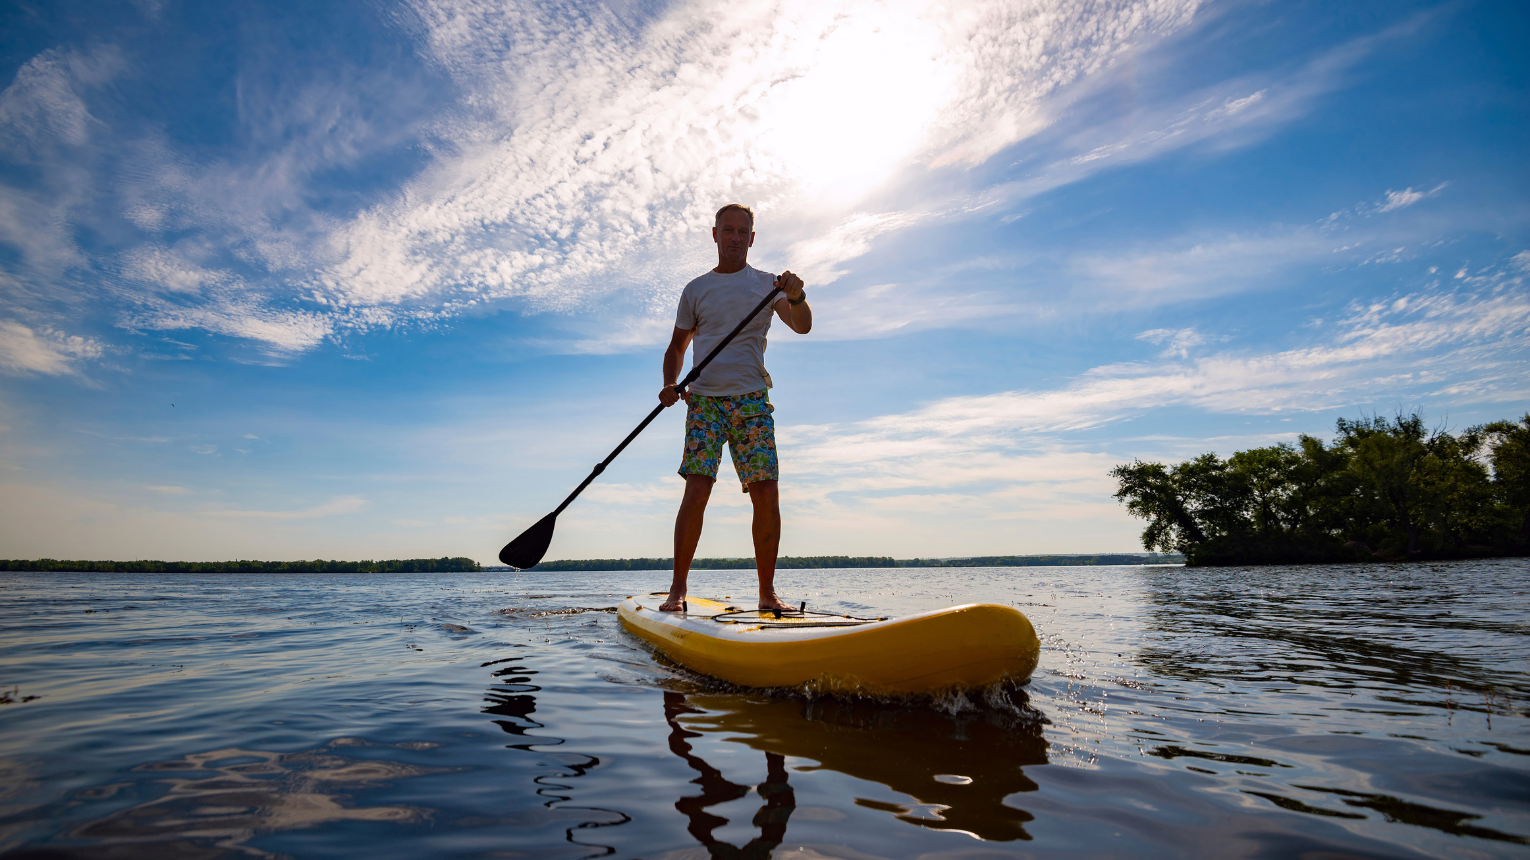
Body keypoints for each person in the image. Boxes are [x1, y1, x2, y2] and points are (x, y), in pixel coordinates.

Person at [656, 203, 811, 612]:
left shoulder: (768, 285)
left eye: (743, 231)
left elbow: (802, 324)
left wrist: (797, 296)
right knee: (697, 489)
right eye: (728, 230)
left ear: (752, 238)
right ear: (715, 234)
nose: (736, 237)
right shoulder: (696, 289)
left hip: (752, 401)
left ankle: (766, 592)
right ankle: (677, 590)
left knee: (766, 492)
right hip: (704, 401)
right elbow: (676, 347)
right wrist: (670, 384)